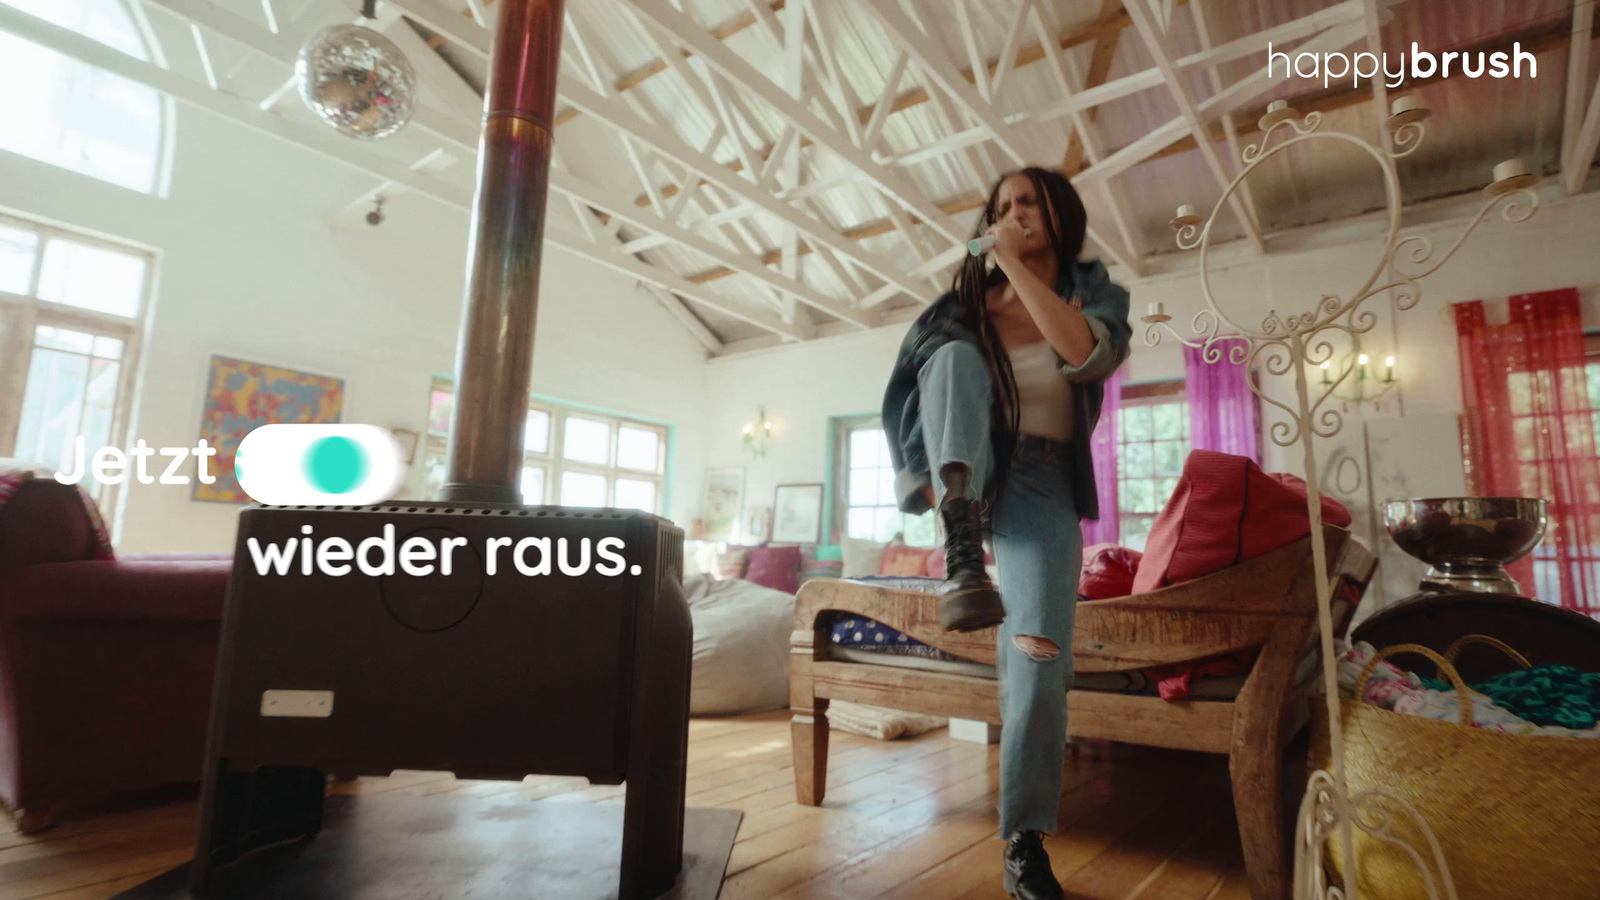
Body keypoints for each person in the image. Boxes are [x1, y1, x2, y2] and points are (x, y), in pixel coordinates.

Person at [881, 167, 1130, 900]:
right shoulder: (961, 305)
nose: (1014, 213)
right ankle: (961, 552)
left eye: (1027, 201)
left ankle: (1024, 841)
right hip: (973, 472)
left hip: (1044, 483)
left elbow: (1088, 356)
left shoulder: (1096, 292)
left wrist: (1015, 265)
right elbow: (907, 388)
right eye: (1001, 207)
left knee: (1040, 653)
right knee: (951, 356)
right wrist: (922, 478)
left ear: (1059, 210)